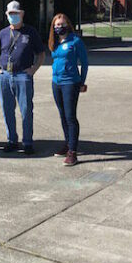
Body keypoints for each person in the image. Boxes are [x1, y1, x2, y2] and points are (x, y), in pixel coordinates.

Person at [0, 1, 45, 155]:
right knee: (7, 110)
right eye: (10, 14)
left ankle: (27, 142)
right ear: (7, 15)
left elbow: (41, 53)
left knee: (26, 110)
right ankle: (11, 140)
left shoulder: (30, 32)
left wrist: (33, 69)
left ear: (21, 14)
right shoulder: (2, 33)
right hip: (4, 76)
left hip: (23, 75)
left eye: (16, 13)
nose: (13, 16)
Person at [49, 13, 88, 167]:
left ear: (68, 25)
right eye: (56, 25)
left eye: (62, 24)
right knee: (62, 115)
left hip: (70, 82)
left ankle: (73, 151)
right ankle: (67, 143)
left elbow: (84, 63)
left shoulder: (75, 41)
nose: (59, 27)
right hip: (56, 82)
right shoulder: (55, 42)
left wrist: (82, 82)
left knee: (70, 116)